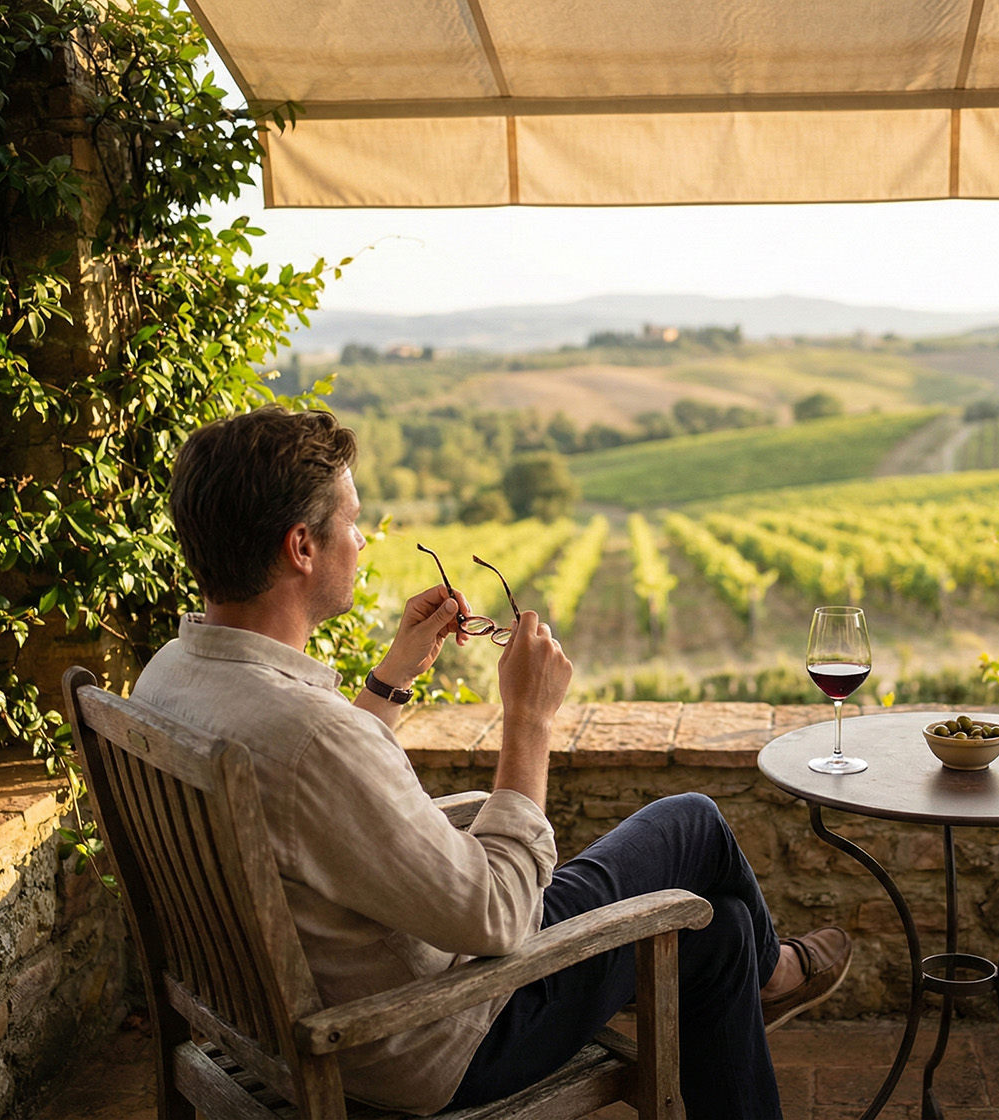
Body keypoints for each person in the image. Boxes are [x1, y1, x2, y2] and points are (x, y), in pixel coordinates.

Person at [133, 406, 851, 1118]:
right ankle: (776, 972)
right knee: (691, 823)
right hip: (428, 1038)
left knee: (720, 933)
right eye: (350, 523)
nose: (359, 539)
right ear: (301, 547)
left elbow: (307, 795)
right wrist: (529, 722)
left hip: (283, 1015)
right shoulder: (312, 738)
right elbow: (499, 915)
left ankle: (761, 970)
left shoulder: (171, 678)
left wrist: (393, 676)